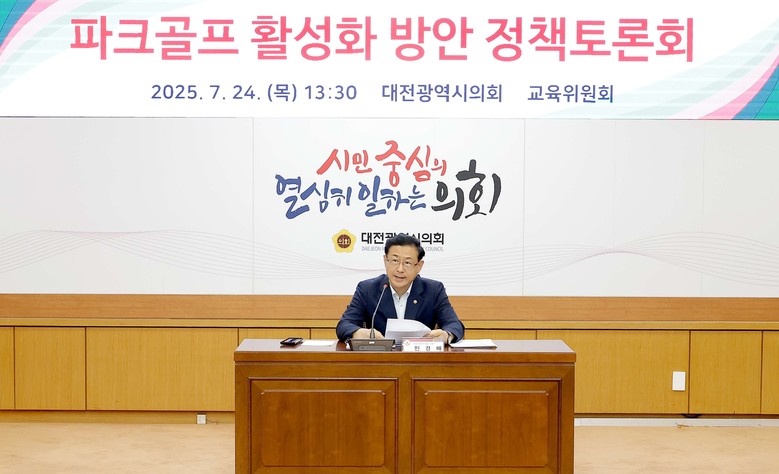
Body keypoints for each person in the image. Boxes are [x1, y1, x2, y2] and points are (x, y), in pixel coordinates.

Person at [336, 233, 465, 344]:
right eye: (394, 261)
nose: (400, 269)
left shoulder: (433, 290)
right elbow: (344, 324)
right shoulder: (367, 289)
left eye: (407, 263)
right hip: (379, 359)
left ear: (419, 266)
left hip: (420, 359)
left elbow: (455, 325)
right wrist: (357, 333)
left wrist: (446, 335)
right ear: (385, 261)